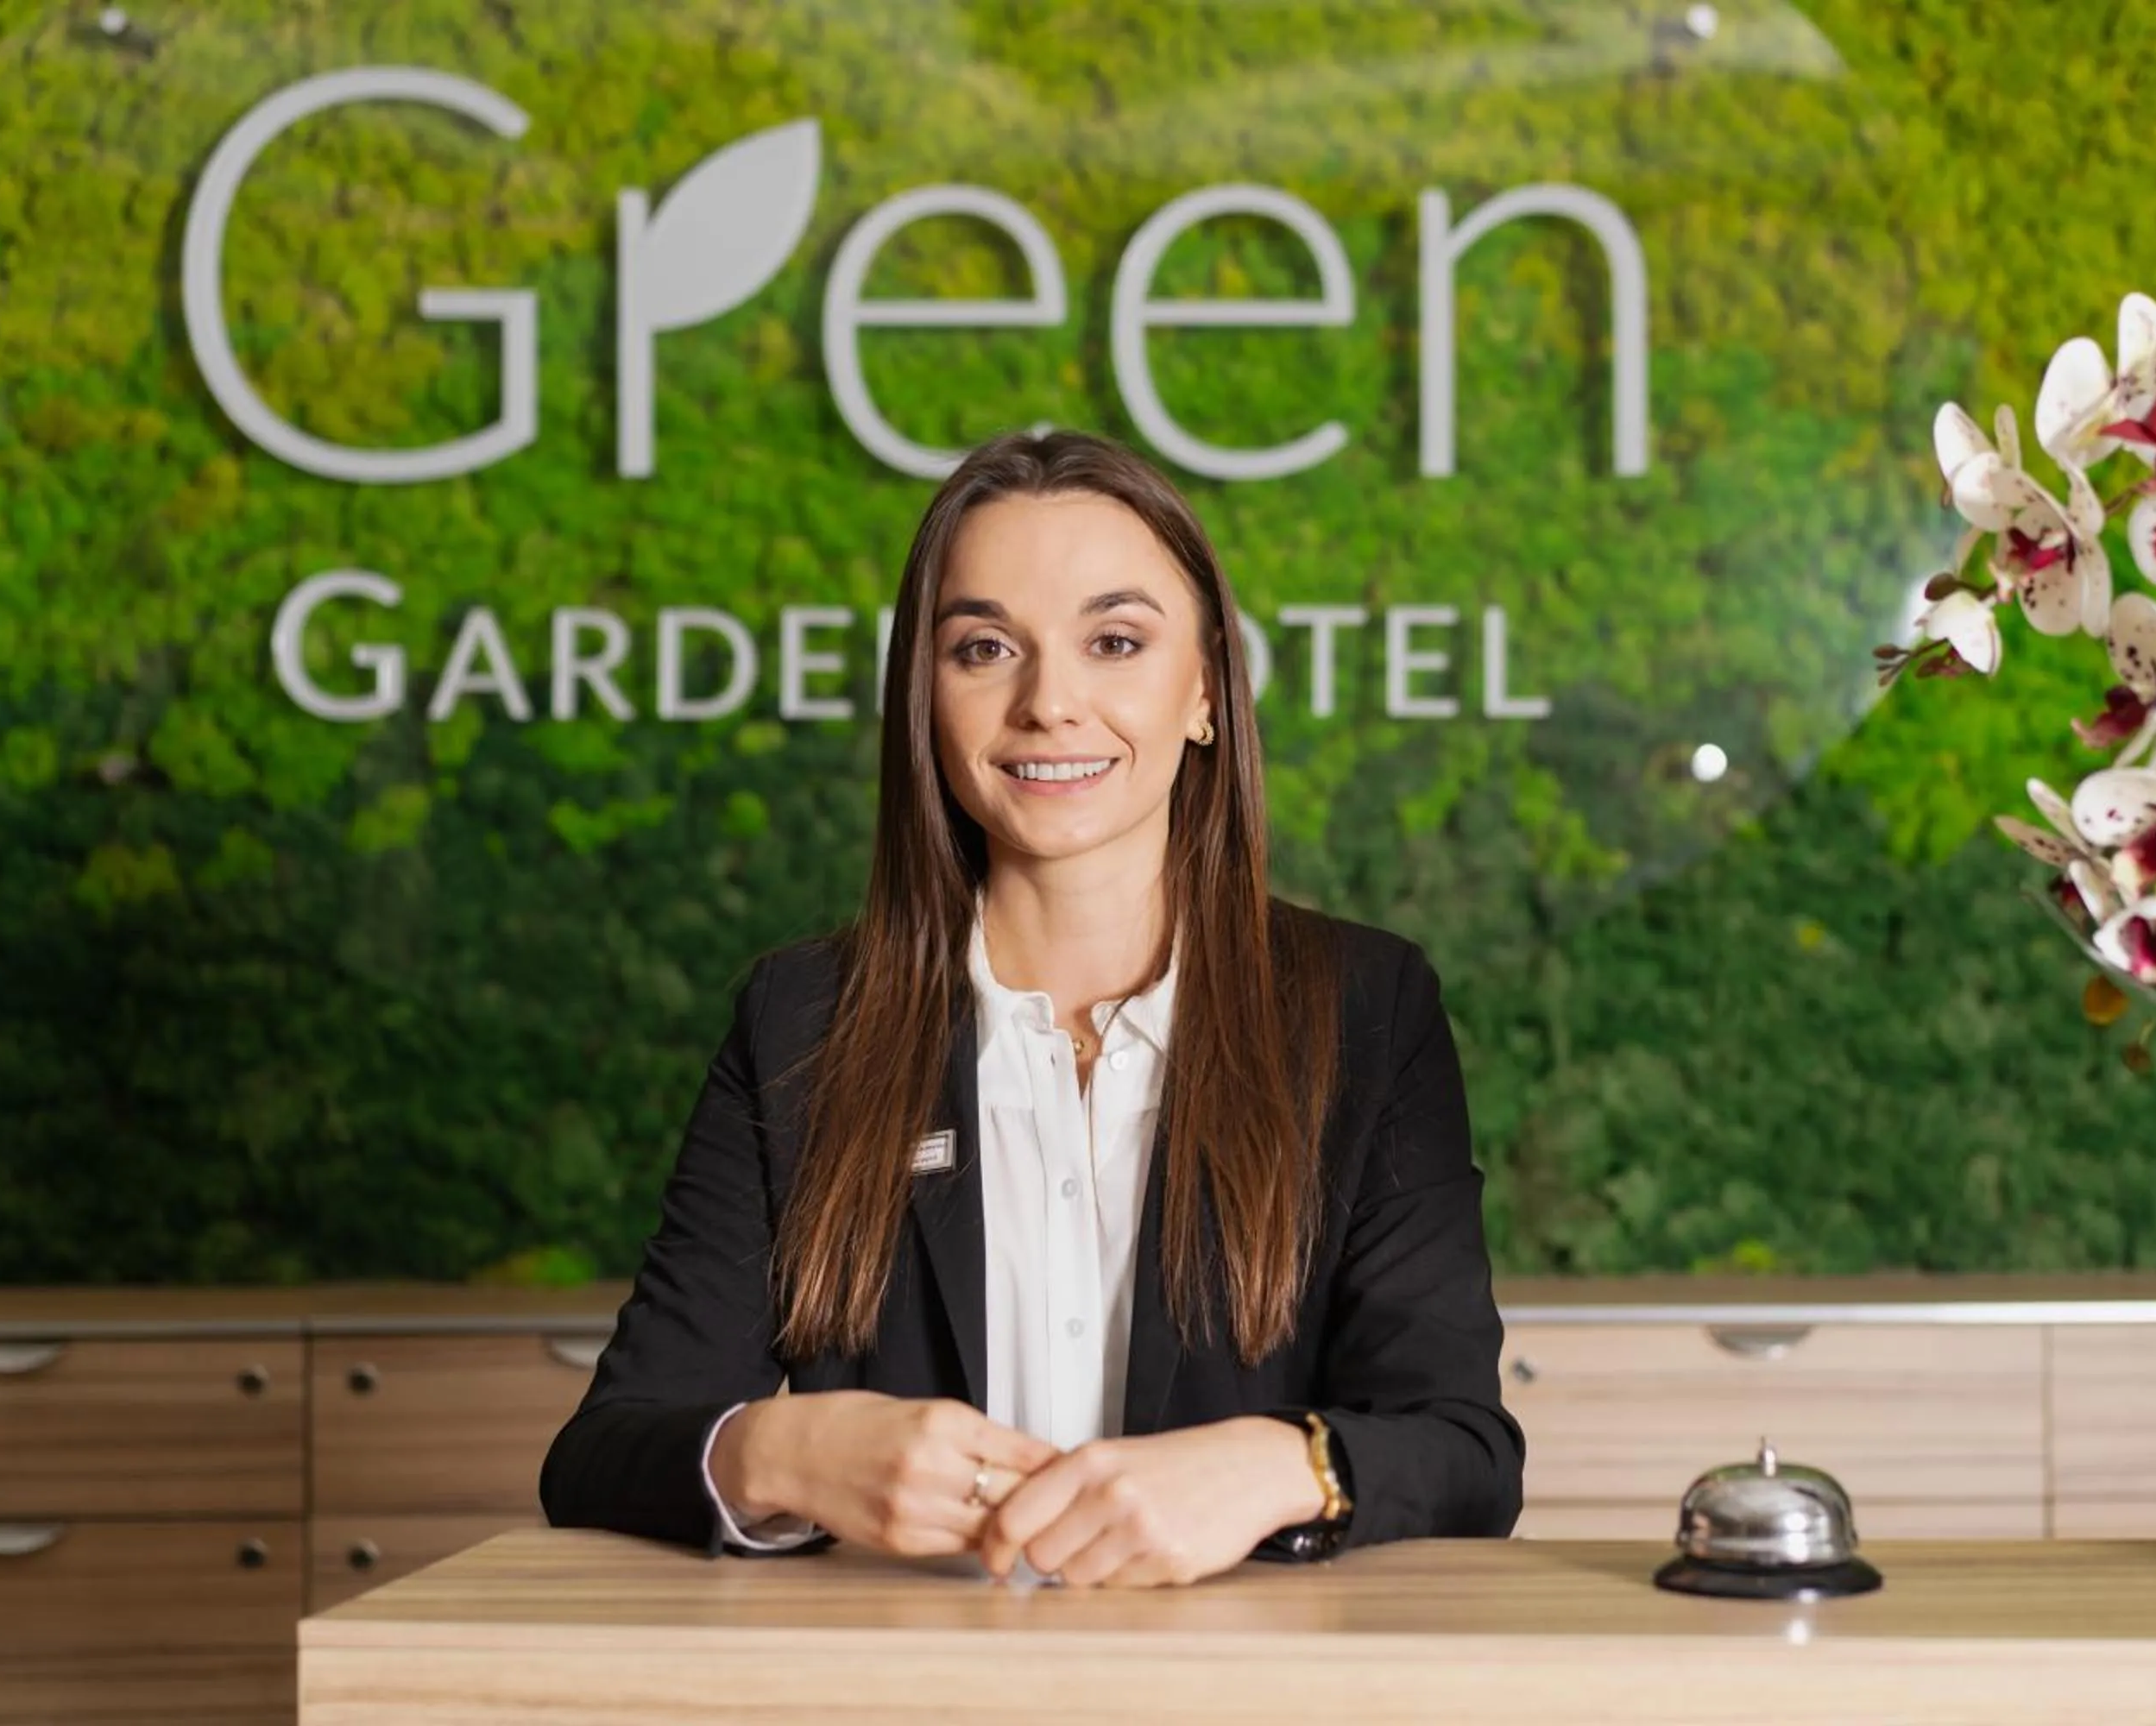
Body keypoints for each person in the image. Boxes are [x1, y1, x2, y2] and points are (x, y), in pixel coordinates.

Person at [539, 429, 1522, 1588]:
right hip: (898, 1674)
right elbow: (600, 1455)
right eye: (985, 648)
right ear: (927, 696)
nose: (1049, 703)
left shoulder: (1363, 1008)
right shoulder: (802, 1020)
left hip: (1241, 1675)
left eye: (1115, 642)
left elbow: (1465, 1453)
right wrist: (783, 1451)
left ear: (1206, 688)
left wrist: (1279, 1467)